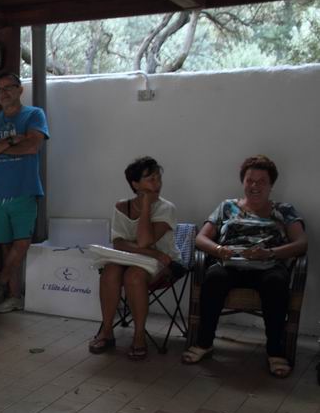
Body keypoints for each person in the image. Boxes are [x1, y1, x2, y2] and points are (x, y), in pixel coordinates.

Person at [182, 155, 307, 377]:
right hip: (230, 264)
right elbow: (201, 239)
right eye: (250, 180)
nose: (254, 186)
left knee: (276, 283)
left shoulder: (284, 210)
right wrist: (219, 250)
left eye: (261, 181)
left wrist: (270, 253)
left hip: (268, 266)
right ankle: (204, 343)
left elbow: (301, 243)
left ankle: (275, 352)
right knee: (214, 278)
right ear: (243, 182)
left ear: (271, 185)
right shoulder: (227, 206)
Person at [88, 157, 182, 359]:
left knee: (134, 276)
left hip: (164, 263)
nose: (157, 184)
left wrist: (146, 206)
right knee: (110, 272)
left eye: (158, 178)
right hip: (140, 257)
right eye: (151, 179)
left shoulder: (166, 208)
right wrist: (153, 252)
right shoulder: (122, 207)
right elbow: (118, 243)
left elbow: (144, 241)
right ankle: (107, 330)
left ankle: (139, 335)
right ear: (135, 184)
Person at [0, 73, 49, 313]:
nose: (3, 93)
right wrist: (10, 141)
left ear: (20, 89)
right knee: (6, 246)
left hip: (24, 190)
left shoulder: (34, 115)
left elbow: (32, 146)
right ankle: (14, 296)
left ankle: (1, 280)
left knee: (22, 243)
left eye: (8, 88)